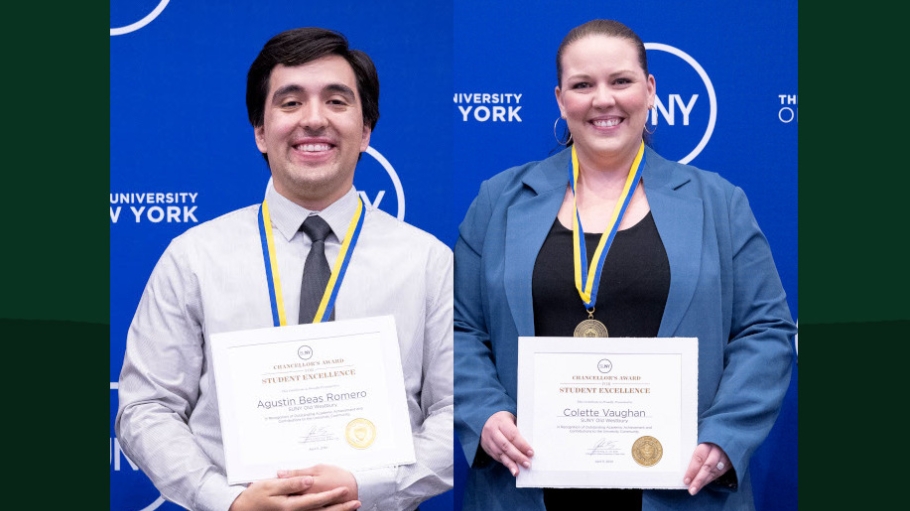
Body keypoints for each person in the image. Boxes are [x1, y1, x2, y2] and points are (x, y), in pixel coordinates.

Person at [453, 19, 795, 511]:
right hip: (525, 485)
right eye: (582, 85)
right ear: (559, 99)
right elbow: (460, 328)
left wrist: (726, 435)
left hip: (679, 485)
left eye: (620, 81)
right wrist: (484, 413)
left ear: (650, 89)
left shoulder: (719, 201)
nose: (603, 100)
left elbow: (765, 329)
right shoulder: (499, 201)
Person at [116, 27, 453, 511]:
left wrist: (370, 488)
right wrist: (228, 502)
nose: (313, 120)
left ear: (365, 131)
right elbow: (146, 408)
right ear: (260, 130)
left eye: (337, 102)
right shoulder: (194, 257)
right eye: (290, 103)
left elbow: (452, 411)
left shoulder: (428, 262)